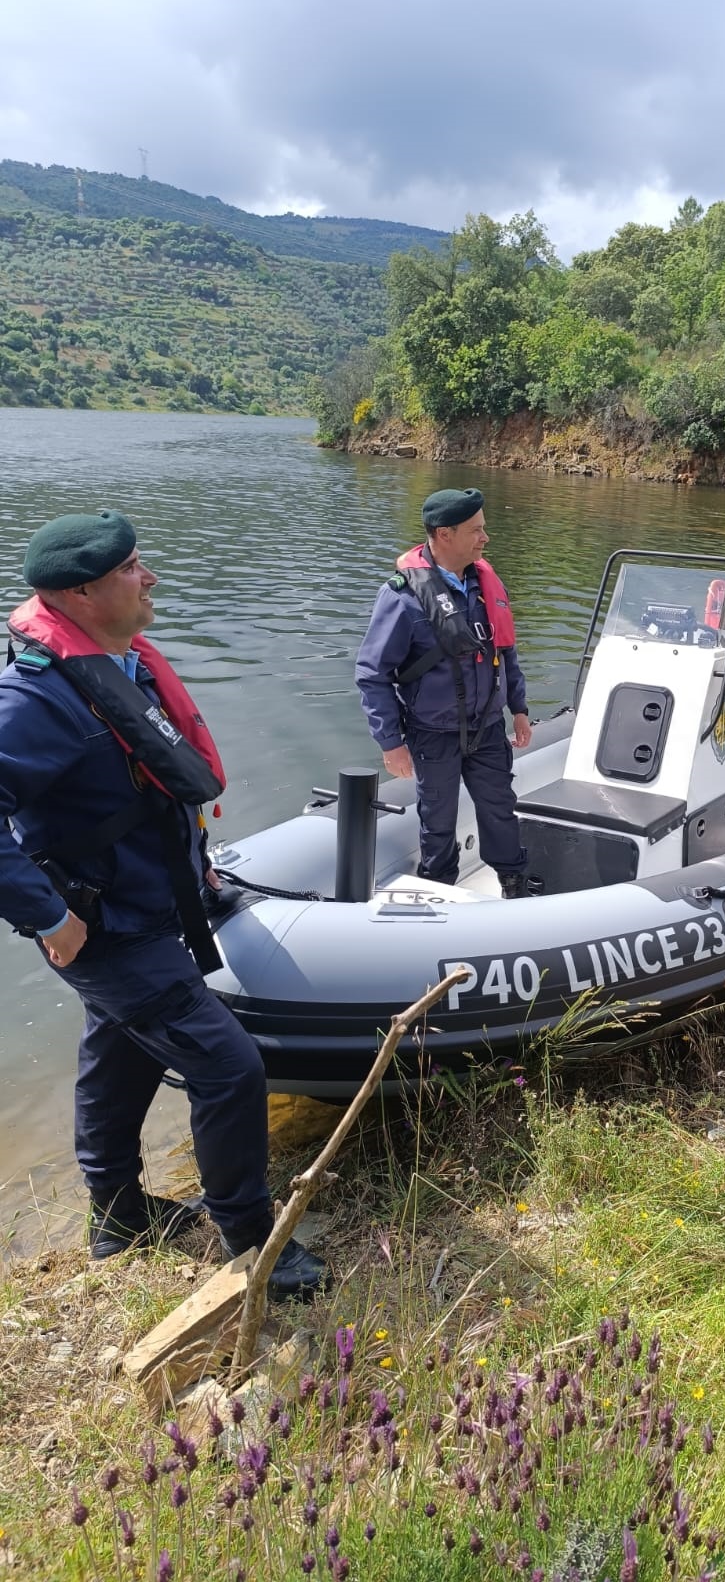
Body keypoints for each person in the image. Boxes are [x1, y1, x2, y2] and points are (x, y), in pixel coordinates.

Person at [0, 511, 327, 1298]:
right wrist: (47, 915)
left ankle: (117, 1217)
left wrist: (197, 870)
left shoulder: (121, 666)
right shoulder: (33, 701)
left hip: (155, 905)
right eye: (133, 569)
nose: (151, 578)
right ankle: (251, 1242)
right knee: (229, 1069)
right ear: (79, 594)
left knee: (120, 1052)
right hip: (105, 928)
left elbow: (147, 790)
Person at [355, 487, 532, 896]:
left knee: (500, 810)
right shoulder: (401, 597)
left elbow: (506, 653)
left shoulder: (486, 586)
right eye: (476, 530)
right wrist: (390, 743)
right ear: (444, 534)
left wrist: (519, 708)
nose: (485, 538)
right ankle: (439, 888)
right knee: (437, 821)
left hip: (487, 729)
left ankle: (513, 882)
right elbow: (371, 674)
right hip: (433, 734)